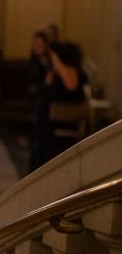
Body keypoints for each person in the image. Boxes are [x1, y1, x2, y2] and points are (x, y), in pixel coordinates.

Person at [28, 33, 88, 171]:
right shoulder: (57, 71)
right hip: (48, 119)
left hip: (59, 122)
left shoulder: (69, 71)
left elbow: (71, 86)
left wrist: (58, 66)